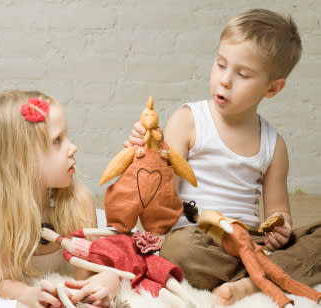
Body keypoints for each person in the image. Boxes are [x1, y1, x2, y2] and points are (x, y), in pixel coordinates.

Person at [125, 8, 321, 306]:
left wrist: (280, 229)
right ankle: (265, 275)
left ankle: (249, 283)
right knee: (180, 251)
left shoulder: (273, 144)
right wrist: (149, 154)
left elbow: (278, 214)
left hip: (250, 242)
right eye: (220, 65)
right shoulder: (190, 120)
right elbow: (159, 202)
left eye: (242, 74)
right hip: (200, 240)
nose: (225, 80)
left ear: (273, 88)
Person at [0, 90, 120, 308]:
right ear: (21, 159)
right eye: (57, 140)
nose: (73, 147)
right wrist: (31, 295)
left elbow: (95, 273)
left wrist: (107, 282)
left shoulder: (79, 200)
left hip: (34, 195)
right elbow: (0, 282)